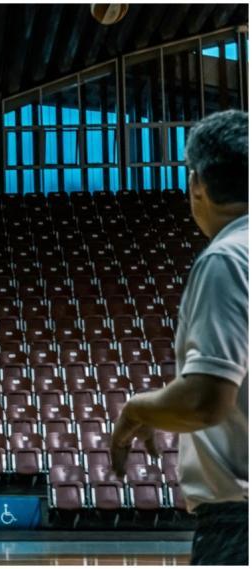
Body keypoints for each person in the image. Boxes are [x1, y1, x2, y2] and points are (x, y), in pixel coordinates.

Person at [111, 109, 248, 565]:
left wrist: (136, 409)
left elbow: (205, 401)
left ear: (196, 184)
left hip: (239, 524)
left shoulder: (227, 259)